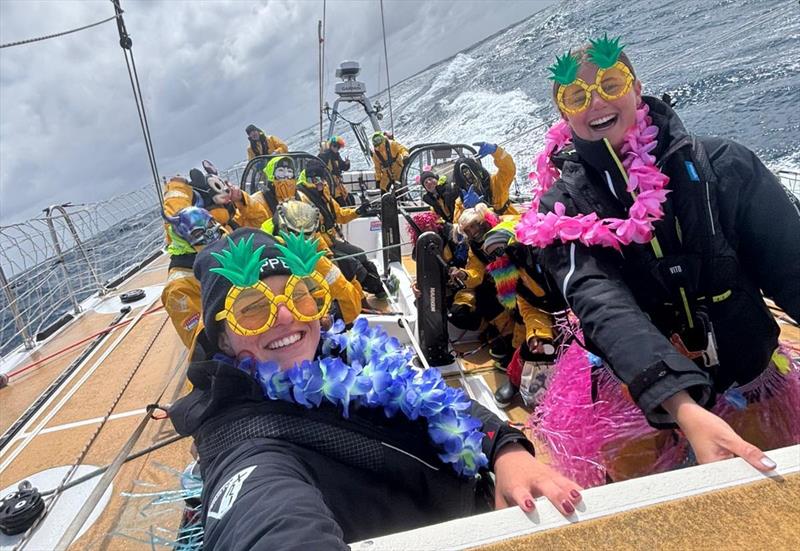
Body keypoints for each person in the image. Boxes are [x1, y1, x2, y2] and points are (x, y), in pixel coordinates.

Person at [168, 228, 582, 549]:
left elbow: (437, 398)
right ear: (222, 338)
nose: (285, 318)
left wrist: (506, 450)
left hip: (487, 504)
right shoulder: (244, 441)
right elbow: (267, 517)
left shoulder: (343, 353)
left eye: (299, 297)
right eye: (253, 309)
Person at [517, 35, 800, 482]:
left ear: (636, 87)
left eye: (610, 84)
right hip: (640, 404)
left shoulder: (727, 165)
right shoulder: (559, 213)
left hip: (752, 379)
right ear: (564, 114)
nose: (596, 103)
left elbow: (792, 267)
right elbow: (602, 303)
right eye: (577, 95)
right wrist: (681, 404)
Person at [479, 221, 564, 408]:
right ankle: (514, 382)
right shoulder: (515, 278)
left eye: (500, 251)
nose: (498, 259)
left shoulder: (549, 258)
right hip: (549, 319)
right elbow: (528, 308)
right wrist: (539, 335)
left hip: (577, 318)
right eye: (492, 256)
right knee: (531, 348)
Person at [261, 200, 364, 325]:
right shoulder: (315, 262)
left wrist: (328, 255)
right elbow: (349, 302)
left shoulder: (262, 243)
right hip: (308, 323)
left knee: (351, 265)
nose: (305, 239)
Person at [296, 160, 385, 298]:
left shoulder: (323, 193)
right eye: (315, 179)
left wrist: (358, 211)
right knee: (353, 265)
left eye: (322, 178)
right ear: (308, 179)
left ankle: (379, 287)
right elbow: (309, 232)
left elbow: (339, 215)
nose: (320, 182)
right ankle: (362, 298)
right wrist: (327, 253)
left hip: (331, 240)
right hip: (319, 248)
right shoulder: (302, 199)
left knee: (360, 254)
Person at [449, 203, 516, 363]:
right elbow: (476, 273)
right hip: (502, 281)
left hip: (524, 274)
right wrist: (464, 275)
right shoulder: (475, 248)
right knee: (485, 296)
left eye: (474, 226)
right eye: (468, 230)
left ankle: (516, 345)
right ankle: (507, 336)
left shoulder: (505, 224)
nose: (473, 231)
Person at [160, 206, 223, 348]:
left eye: (211, 226)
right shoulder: (178, 289)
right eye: (199, 232)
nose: (210, 235)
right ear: (183, 239)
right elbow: (201, 339)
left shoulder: (220, 248)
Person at [452, 142, 518, 221]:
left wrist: (496, 151)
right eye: (464, 176)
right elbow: (457, 226)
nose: (468, 176)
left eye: (470, 172)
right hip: (486, 232)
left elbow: (509, 170)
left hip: (509, 222)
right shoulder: (460, 203)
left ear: (477, 171)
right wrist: (468, 210)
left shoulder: (494, 183)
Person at [318, 135, 354, 206]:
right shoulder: (325, 155)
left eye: (338, 147)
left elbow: (343, 167)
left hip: (338, 183)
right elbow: (319, 166)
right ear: (330, 145)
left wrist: (347, 164)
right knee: (340, 201)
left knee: (348, 199)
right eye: (335, 146)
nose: (336, 148)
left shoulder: (337, 155)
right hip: (331, 183)